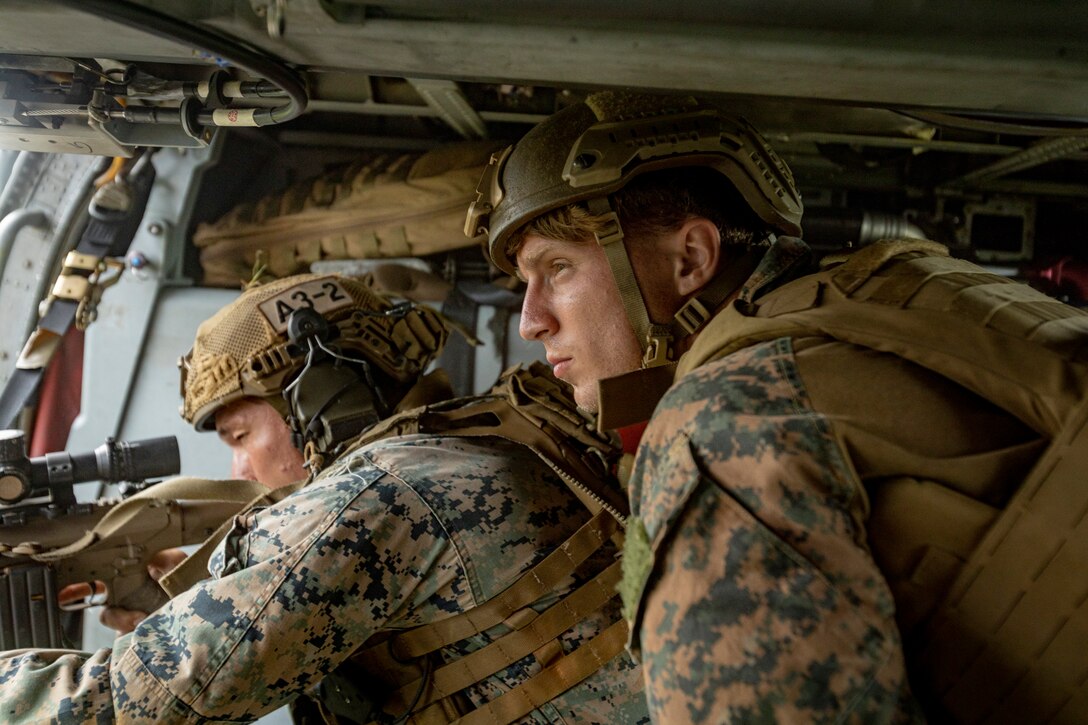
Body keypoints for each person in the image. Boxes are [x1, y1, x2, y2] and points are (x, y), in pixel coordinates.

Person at [465, 91, 1088, 723]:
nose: (530, 322)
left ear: (691, 259)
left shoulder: (717, 426)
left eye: (559, 268)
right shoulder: (902, 292)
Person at [0, 273, 648, 724]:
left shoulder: (370, 500)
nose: (238, 466)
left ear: (320, 397)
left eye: (240, 434)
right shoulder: (474, 438)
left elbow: (114, 707)